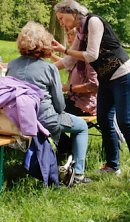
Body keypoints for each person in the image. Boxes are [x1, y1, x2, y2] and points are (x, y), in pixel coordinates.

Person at [51, 0, 130, 183]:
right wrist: (47, 70)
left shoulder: (93, 22)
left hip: (122, 74)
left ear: (72, 13)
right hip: (106, 78)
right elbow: (69, 61)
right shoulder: (80, 31)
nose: (62, 23)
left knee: (124, 121)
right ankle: (113, 166)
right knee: (104, 120)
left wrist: (64, 49)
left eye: (62, 18)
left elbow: (91, 55)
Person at [6, 22, 91, 185]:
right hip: (44, 121)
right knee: (81, 126)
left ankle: (57, 156)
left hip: (17, 120)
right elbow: (60, 106)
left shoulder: (12, 65)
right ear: (44, 44)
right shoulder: (49, 69)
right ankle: (78, 174)